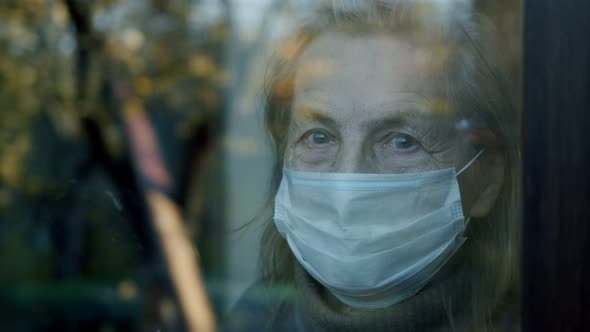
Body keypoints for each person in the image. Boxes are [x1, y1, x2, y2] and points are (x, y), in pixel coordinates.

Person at [224, 1, 521, 331]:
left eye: (403, 141)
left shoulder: (550, 317)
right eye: (319, 137)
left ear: (488, 179)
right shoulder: (251, 320)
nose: (347, 185)